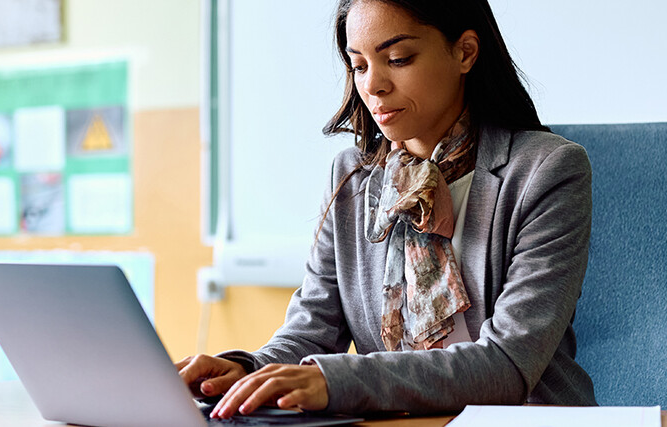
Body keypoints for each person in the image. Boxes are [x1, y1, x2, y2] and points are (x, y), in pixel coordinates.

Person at [177, 0, 597, 418]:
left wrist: (337, 380)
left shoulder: (547, 171)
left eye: (398, 58)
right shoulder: (352, 176)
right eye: (358, 65)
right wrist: (248, 369)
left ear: (465, 52)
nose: (373, 85)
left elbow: (508, 363)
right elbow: (313, 329)